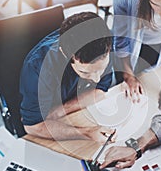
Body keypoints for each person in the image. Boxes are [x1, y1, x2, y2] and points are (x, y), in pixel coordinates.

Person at [19, 12, 115, 142]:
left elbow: (100, 91)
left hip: (61, 112)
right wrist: (87, 133)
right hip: (43, 114)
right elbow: (32, 126)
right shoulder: (39, 68)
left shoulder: (104, 43)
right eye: (85, 73)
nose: (96, 79)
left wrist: (59, 112)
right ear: (65, 54)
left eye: (101, 69)